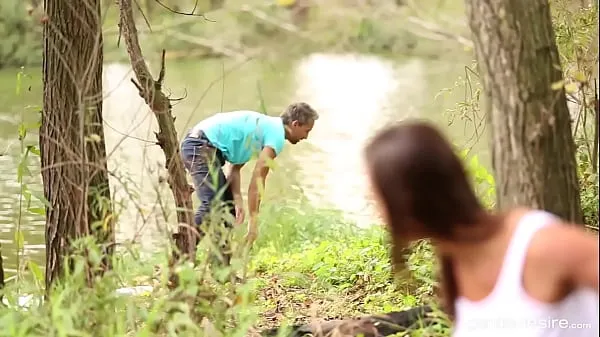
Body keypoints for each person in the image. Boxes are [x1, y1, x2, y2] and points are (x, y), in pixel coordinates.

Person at [363, 119, 598, 337]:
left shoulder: (539, 245)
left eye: (377, 198)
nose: (375, 209)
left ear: (409, 203)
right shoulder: (455, 265)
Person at [180, 102, 318, 263]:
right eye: (306, 131)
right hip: (200, 146)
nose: (306, 137)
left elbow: (235, 167)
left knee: (228, 210)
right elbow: (257, 181)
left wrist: (237, 198)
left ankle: (220, 270)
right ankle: (182, 257)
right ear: (295, 124)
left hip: (202, 146)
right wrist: (253, 224)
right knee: (212, 204)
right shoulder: (276, 136)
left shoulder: (266, 129)